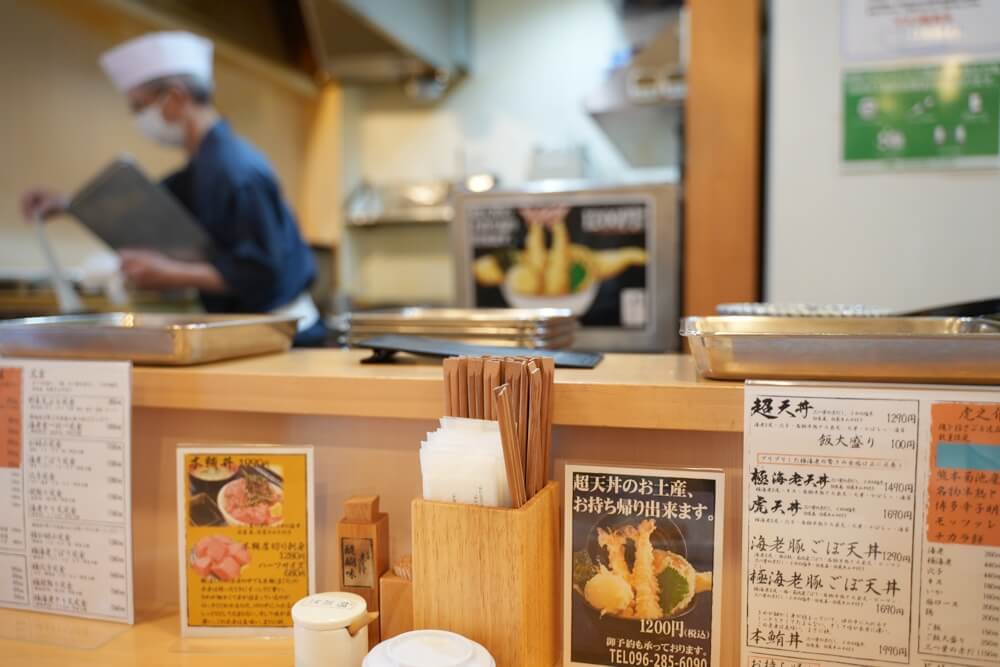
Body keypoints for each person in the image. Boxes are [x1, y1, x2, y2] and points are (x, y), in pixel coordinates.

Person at [20, 31, 326, 346]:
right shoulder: (203, 167)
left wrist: (169, 273)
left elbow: (262, 271)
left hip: (286, 337)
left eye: (140, 107)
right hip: (254, 333)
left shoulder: (236, 171)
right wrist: (67, 204)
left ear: (176, 98)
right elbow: (145, 204)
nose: (139, 119)